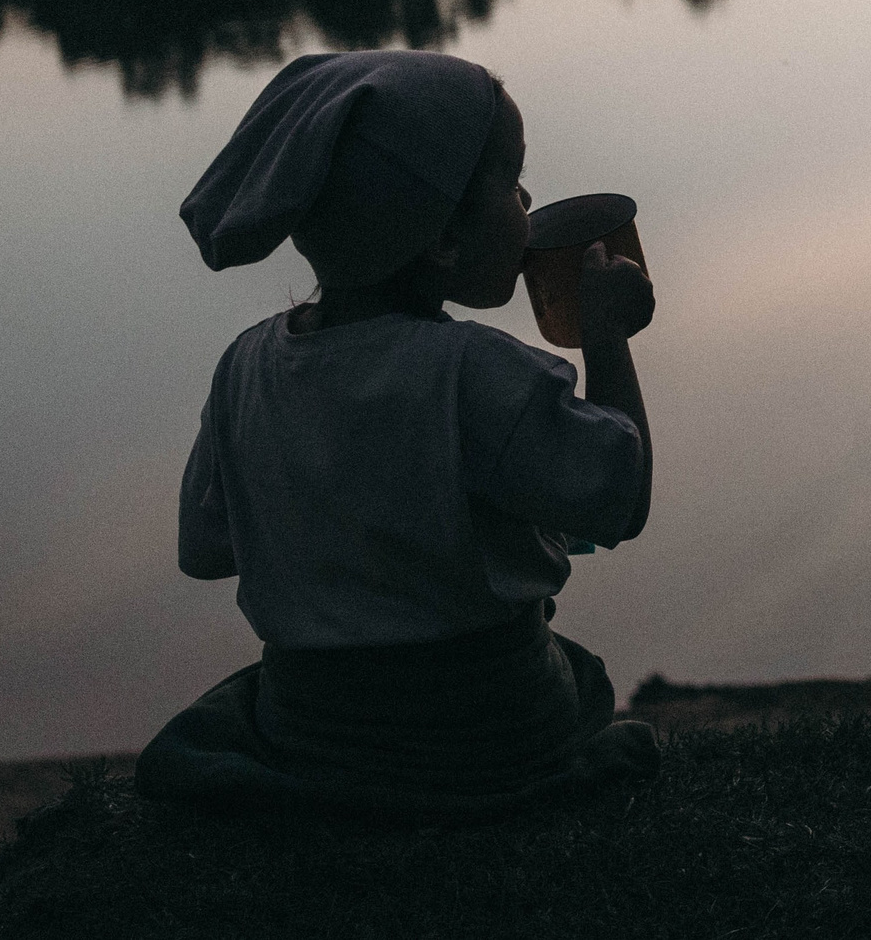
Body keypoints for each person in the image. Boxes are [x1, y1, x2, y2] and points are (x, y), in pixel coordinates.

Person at [136, 49, 660, 817]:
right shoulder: (475, 372)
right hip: (490, 732)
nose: (528, 200)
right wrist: (606, 337)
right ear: (444, 241)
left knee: (229, 711)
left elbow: (206, 550)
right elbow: (620, 498)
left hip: (318, 733)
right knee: (580, 680)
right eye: (510, 183)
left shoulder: (245, 368)